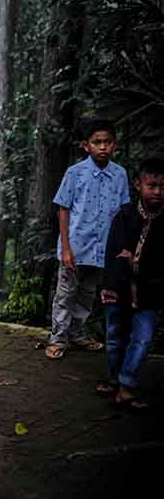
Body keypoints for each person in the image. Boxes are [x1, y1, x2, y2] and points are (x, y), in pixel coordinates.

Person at [45, 119, 129, 360]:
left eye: (107, 142)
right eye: (97, 142)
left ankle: (78, 335)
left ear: (114, 145)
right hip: (75, 246)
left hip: (103, 249)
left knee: (88, 292)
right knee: (66, 293)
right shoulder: (75, 173)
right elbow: (63, 209)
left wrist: (121, 247)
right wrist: (66, 249)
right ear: (86, 145)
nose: (102, 147)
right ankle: (58, 338)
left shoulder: (120, 175)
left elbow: (124, 211)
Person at [98, 157, 163, 412]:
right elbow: (114, 254)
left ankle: (126, 386)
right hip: (120, 289)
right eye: (152, 185)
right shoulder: (125, 216)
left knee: (143, 339)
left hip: (150, 292)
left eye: (162, 186)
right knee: (115, 337)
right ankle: (115, 378)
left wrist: (137, 262)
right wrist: (111, 285)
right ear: (138, 185)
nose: (157, 192)